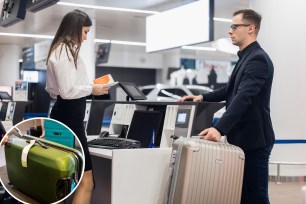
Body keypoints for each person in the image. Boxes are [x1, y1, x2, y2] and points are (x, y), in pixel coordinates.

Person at [178, 9, 275, 204]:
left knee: (256, 197)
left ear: (251, 28)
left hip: (255, 140)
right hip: (243, 138)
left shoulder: (258, 59)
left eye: (234, 26)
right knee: (242, 195)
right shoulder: (245, 57)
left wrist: (218, 128)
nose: (230, 31)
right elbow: (230, 90)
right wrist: (201, 97)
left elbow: (243, 97)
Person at [45, 9, 109, 204]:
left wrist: (89, 86)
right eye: (85, 32)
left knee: (66, 179)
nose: (86, 37)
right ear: (74, 29)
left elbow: (57, 88)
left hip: (65, 116)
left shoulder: (63, 49)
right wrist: (92, 89)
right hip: (69, 119)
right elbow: (67, 91)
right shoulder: (64, 50)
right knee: (87, 182)